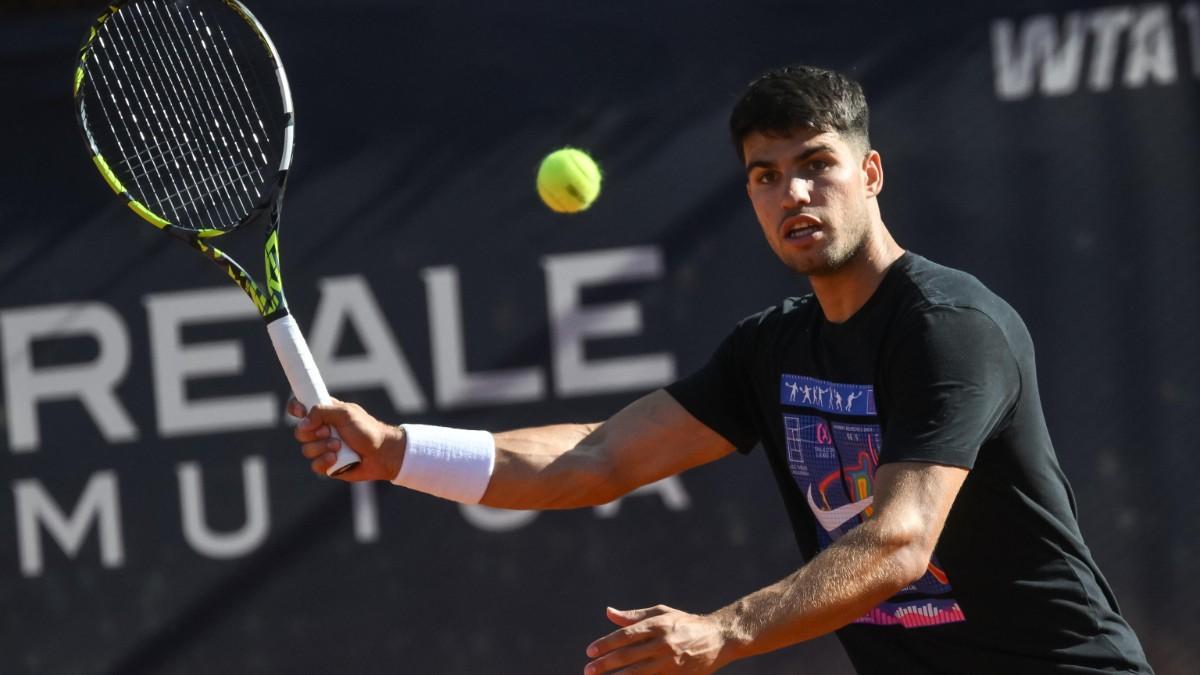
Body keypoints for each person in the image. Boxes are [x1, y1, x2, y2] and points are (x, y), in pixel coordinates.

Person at [289, 65, 1153, 674]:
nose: (794, 194)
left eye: (816, 164)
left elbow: (898, 541)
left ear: (870, 172)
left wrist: (724, 631)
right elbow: (598, 457)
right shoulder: (770, 348)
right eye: (766, 176)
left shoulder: (949, 327)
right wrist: (397, 451)